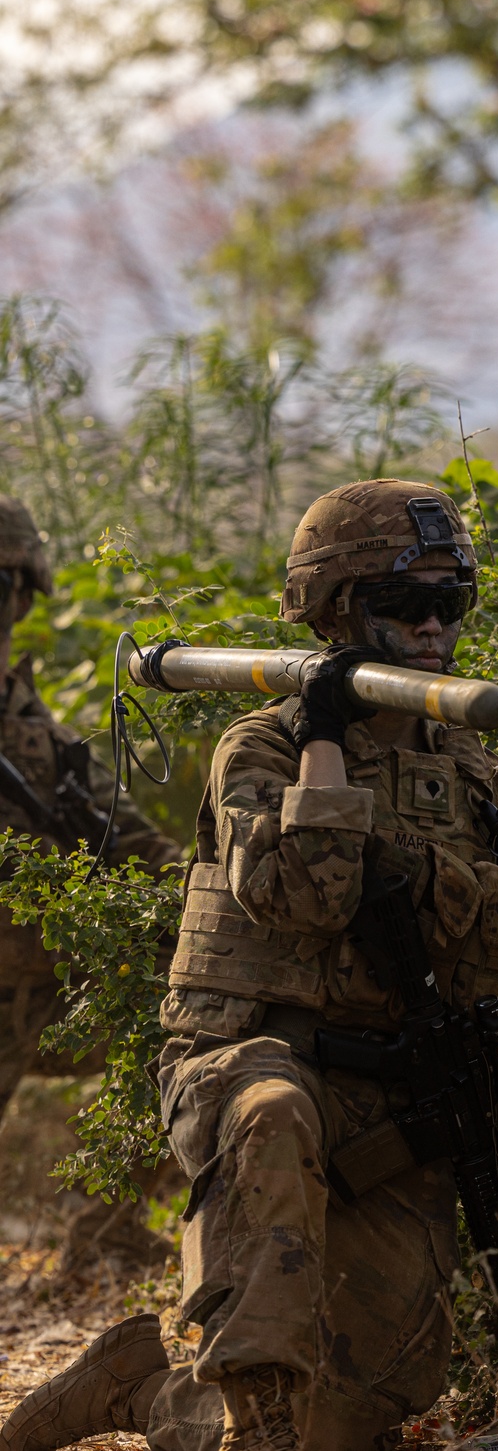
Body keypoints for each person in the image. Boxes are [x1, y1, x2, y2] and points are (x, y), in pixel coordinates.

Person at [1, 480, 498, 1451]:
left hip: (394, 1105)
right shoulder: (258, 747)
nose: (434, 624)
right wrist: (321, 740)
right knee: (274, 1113)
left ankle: (140, 1384)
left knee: (339, 1427)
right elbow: (299, 897)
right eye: (405, 602)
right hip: (245, 1065)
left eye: (452, 601)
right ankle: (252, 1414)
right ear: (340, 609)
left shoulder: (479, 783)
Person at [0, 496, 183, 1267]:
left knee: (190, 1019)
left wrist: (200, 884)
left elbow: (135, 838)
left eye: (8, 586)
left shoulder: (41, 737)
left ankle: (104, 1228)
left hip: (41, 999)